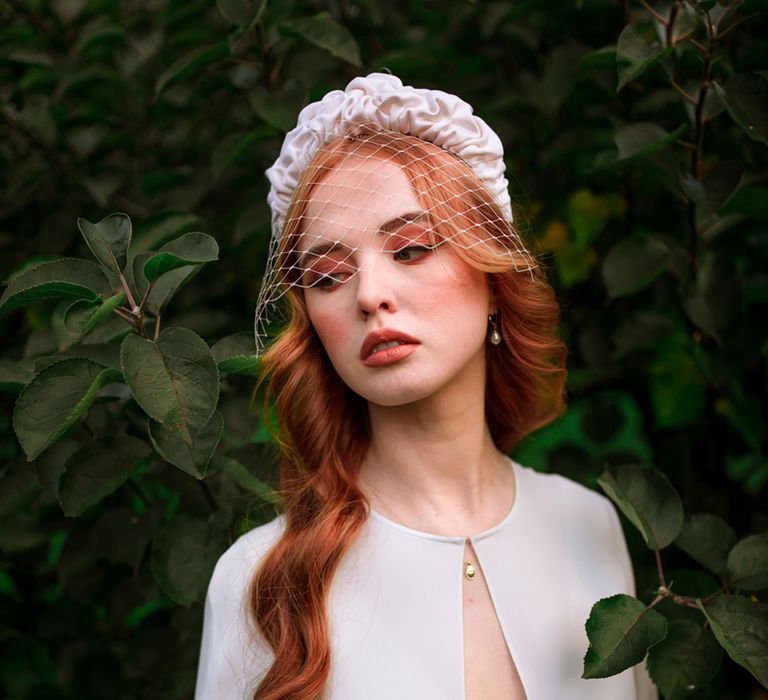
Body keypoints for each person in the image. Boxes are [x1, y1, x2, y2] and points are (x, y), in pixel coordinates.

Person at [195, 73, 657, 700]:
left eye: (410, 249)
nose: (369, 295)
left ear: (492, 277)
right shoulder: (258, 579)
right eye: (328, 276)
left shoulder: (590, 524)